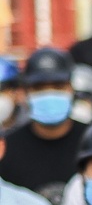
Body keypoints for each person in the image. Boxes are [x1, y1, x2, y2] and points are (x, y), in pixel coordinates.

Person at [2, 47, 87, 197]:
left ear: (71, 89)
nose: (49, 93)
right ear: (24, 93)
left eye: (58, 86)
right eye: (39, 88)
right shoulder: (7, 148)